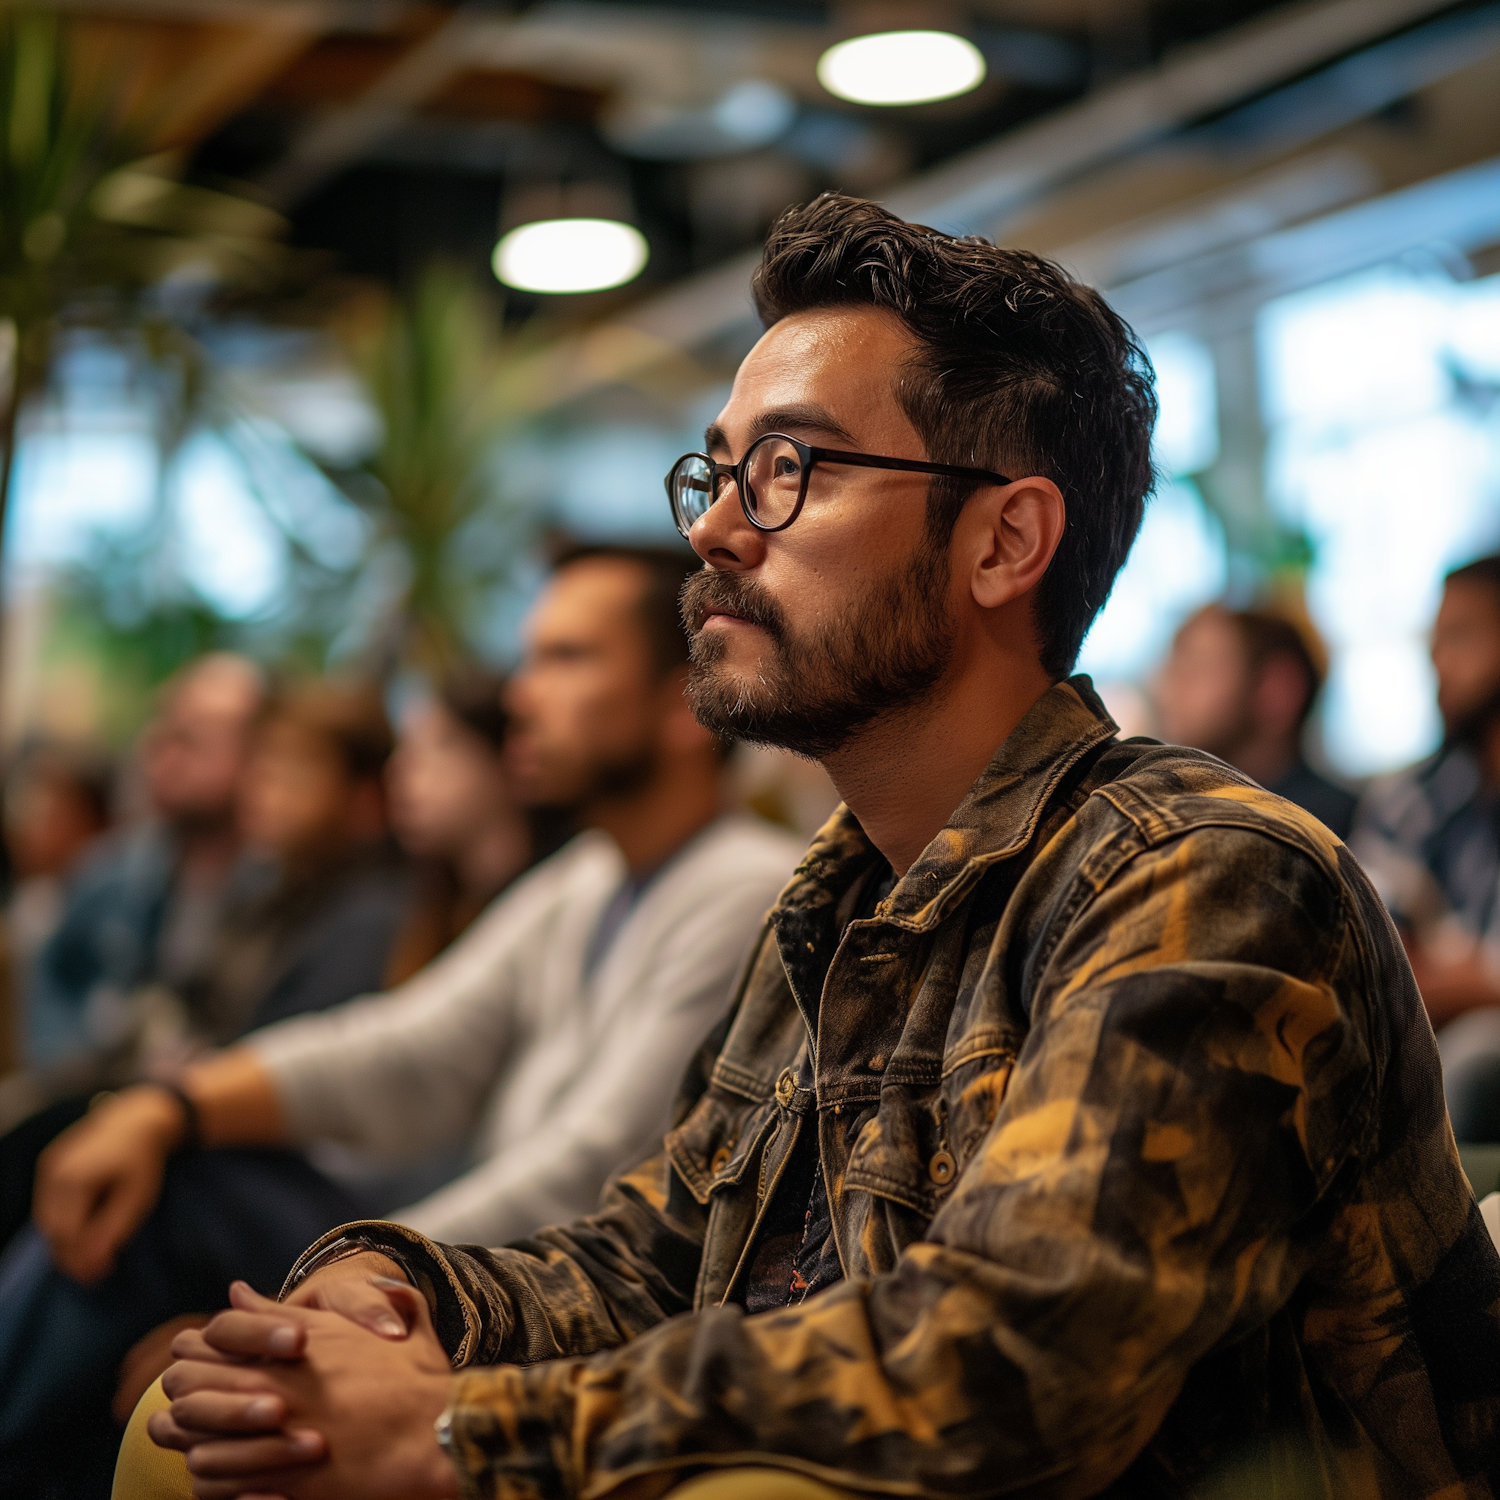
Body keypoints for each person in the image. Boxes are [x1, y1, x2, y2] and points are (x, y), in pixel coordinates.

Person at [140, 196, 1497, 1500]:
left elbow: (1017, 1359)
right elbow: (653, 1259)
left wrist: (457, 1428)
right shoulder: (840, 895)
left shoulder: (1203, 878)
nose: (717, 531)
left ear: (1003, 540)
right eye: (719, 470)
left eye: (790, 470)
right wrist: (397, 1291)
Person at [24, 545, 799, 1499]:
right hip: (486, 1262)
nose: (521, 694)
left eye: (566, 659)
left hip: (552, 1295)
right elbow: (407, 1047)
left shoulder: (745, 884)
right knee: (139, 1159)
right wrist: (167, 1107)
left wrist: (325, 1290)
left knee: (178, 1216)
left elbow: (589, 1171)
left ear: (685, 699)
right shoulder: (593, 876)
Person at [11, 654, 264, 1099]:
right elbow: (51, 976)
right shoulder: (110, 871)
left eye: (191, 740)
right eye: (161, 733)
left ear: (256, 754)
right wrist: (68, 1065)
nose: (163, 755)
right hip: (94, 1099)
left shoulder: (279, 889)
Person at [1352, 553, 1500, 1140]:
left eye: (1461, 637)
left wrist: (1466, 974)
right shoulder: (1414, 798)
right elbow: (1369, 965)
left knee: (1477, 1057)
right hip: (1415, 1042)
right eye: (1434, 641)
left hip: (1467, 1059)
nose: (1437, 662)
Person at [380, 669, 547, 987]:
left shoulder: (560, 892)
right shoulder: (432, 907)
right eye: (403, 749)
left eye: (440, 745)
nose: (400, 770)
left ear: (509, 757)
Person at [1155, 603, 1356, 838]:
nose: (1168, 690)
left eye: (1197, 668)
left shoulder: (1334, 833)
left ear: (1279, 691)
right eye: (1174, 669)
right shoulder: (1176, 809)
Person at [2, 741, 115, 1069]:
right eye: (25, 812)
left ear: (92, 820)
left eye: (50, 813)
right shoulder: (31, 898)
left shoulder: (105, 903)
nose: (29, 828)